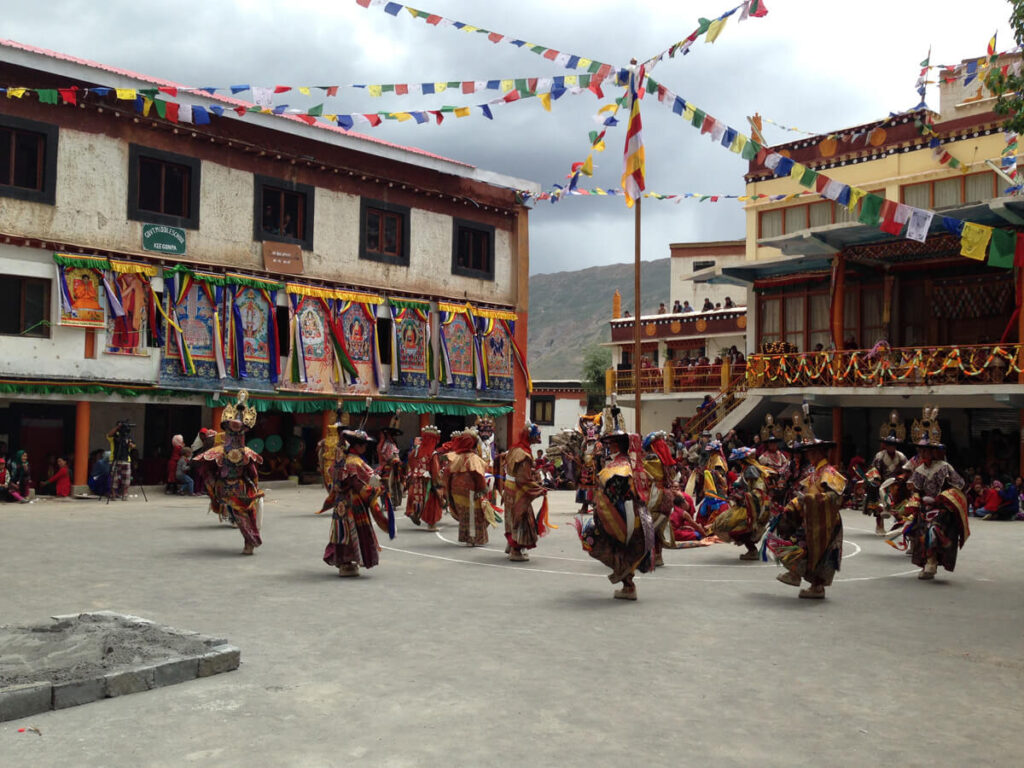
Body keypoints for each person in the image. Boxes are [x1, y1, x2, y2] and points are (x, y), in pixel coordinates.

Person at [574, 416, 654, 600]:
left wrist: (602, 518)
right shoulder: (632, 464)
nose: (607, 447)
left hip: (622, 518)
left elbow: (612, 496)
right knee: (624, 550)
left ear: (617, 446)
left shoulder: (620, 467)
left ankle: (628, 583)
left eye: (610, 444)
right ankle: (628, 584)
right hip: (636, 515)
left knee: (592, 540)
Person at [768, 437, 846, 599]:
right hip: (811, 518)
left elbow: (835, 498)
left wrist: (810, 500)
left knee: (818, 554)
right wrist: (794, 505)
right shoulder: (815, 472)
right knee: (799, 545)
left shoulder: (828, 472)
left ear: (818, 453)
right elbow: (805, 494)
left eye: (811, 452)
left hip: (826, 521)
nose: (808, 456)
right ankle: (797, 574)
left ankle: (815, 585)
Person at [195, 391, 264, 555]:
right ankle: (250, 541)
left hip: (239, 488)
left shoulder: (246, 453)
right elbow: (208, 469)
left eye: (237, 431)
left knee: (244, 517)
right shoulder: (220, 451)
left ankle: (250, 541)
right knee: (241, 516)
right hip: (226, 487)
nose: (234, 433)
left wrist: (254, 487)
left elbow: (252, 472)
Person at [323, 428, 392, 576]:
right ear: (358, 446)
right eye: (363, 444)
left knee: (342, 530)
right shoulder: (355, 462)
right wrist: (376, 490)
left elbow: (332, 474)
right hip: (353, 502)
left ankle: (344, 562)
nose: (365, 447)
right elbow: (360, 484)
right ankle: (349, 561)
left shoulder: (342, 460)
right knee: (354, 530)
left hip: (340, 502)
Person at [501, 422, 549, 562]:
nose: (538, 438)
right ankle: (516, 550)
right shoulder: (524, 455)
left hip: (509, 488)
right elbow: (523, 480)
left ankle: (510, 546)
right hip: (518, 491)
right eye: (537, 435)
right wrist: (539, 489)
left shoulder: (514, 449)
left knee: (511, 517)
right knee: (521, 518)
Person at [445, 429, 494, 547]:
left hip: (456, 491)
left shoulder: (455, 458)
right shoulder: (473, 458)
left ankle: (466, 537)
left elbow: (448, 475)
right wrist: (483, 490)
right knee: (474, 514)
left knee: (464, 515)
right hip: (471, 491)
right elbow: (478, 476)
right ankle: (472, 538)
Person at [405, 424, 444, 530]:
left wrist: (415, 472)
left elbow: (410, 460)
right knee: (432, 502)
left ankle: (415, 513)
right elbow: (435, 470)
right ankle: (431, 524)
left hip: (416, 478)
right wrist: (439, 484)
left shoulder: (416, 451)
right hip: (428, 481)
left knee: (416, 498)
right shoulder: (433, 453)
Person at [868, 432, 908, 534]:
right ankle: (879, 526)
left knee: (899, 505)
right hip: (881, 484)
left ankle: (901, 525)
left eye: (893, 445)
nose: (891, 447)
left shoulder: (901, 456)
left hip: (896, 484)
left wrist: (902, 478)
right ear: (886, 446)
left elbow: (906, 470)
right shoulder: (880, 456)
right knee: (879, 506)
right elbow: (874, 469)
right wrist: (876, 479)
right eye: (889, 445)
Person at [378, 414, 404, 508]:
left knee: (393, 484)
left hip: (394, 467)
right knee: (387, 485)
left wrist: (397, 460)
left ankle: (393, 502)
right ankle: (388, 503)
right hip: (388, 467)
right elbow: (385, 455)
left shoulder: (392, 443)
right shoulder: (387, 444)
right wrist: (393, 459)